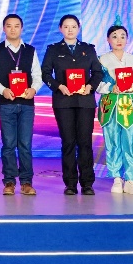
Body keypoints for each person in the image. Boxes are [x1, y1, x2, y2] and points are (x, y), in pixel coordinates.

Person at [41, 14, 103, 195]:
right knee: (68, 142)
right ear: (60, 28)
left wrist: (90, 86)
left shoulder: (88, 49)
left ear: (79, 28)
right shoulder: (53, 49)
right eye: (66, 26)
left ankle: (87, 183)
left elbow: (98, 73)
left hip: (85, 101)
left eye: (73, 26)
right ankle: (70, 183)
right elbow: (45, 73)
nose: (70, 30)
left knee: (85, 142)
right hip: (63, 101)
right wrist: (59, 86)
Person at [0, 14, 43, 196]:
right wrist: (3, 90)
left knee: (25, 144)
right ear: (4, 28)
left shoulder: (30, 50)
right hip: (6, 103)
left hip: (26, 104)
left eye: (16, 26)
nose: (12, 29)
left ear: (21, 28)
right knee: (9, 144)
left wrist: (33, 89)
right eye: (9, 26)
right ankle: (9, 181)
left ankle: (26, 182)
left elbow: (37, 75)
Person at [98, 24, 133, 195]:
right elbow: (96, 83)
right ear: (108, 39)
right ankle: (116, 178)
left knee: (132, 141)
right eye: (114, 36)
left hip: (129, 105)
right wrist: (109, 88)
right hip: (110, 105)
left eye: (122, 36)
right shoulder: (101, 60)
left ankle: (131, 180)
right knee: (112, 141)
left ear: (127, 39)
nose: (118, 40)